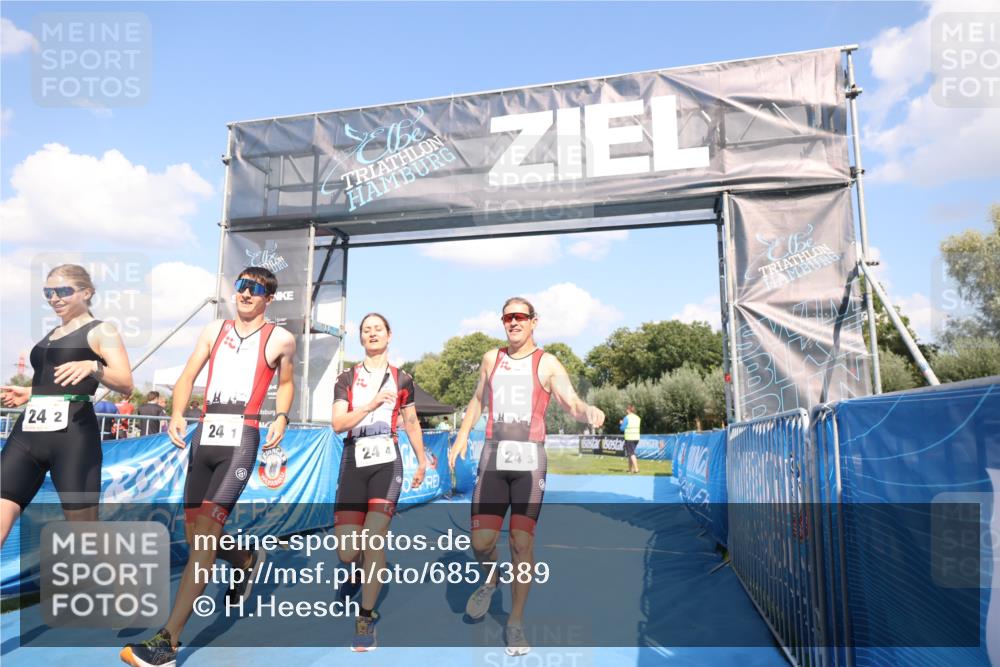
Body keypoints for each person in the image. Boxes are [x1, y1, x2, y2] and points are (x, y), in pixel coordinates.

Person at [121, 266, 296, 667]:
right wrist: (177, 412)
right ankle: (244, 559)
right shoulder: (214, 330)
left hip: (242, 439)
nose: (245, 294)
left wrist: (282, 417)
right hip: (205, 436)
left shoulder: (281, 339)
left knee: (204, 540)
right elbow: (188, 374)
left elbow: (286, 382)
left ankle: (169, 641)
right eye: (241, 286)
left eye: (255, 289)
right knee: (194, 533)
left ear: (268, 298)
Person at [448, 297, 604, 656]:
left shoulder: (547, 363)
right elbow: (477, 399)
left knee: (521, 544)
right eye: (507, 318)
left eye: (520, 317)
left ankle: (515, 621)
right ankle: (491, 577)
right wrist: (460, 436)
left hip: (529, 461)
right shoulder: (492, 358)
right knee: (482, 543)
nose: (513, 322)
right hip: (493, 457)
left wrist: (587, 411)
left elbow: (571, 402)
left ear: (534, 321)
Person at [0, 264, 134, 546]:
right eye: (48, 292)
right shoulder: (52, 333)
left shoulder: (102, 331)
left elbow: (125, 383)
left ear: (86, 292)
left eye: (63, 291)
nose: (54, 298)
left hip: (73, 440)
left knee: (85, 537)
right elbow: (55, 382)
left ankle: (122, 589)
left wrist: (93, 366)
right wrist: (29, 392)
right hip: (27, 435)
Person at [331, 312, 427, 652]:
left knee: (374, 540)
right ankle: (354, 571)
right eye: (366, 330)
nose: (372, 334)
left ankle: (366, 617)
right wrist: (370, 404)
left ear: (389, 336)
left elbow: (411, 422)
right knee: (346, 551)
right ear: (361, 339)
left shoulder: (402, 379)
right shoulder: (346, 378)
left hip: (388, 462)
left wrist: (422, 460)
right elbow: (338, 424)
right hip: (353, 458)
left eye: (378, 329)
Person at [620, 405, 641, 474]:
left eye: (627, 409)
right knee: (630, 453)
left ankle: (636, 469)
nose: (626, 411)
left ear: (628, 410)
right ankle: (630, 469)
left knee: (631, 454)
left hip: (629, 437)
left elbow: (622, 428)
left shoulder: (627, 418)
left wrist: (621, 423)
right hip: (636, 437)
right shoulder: (637, 418)